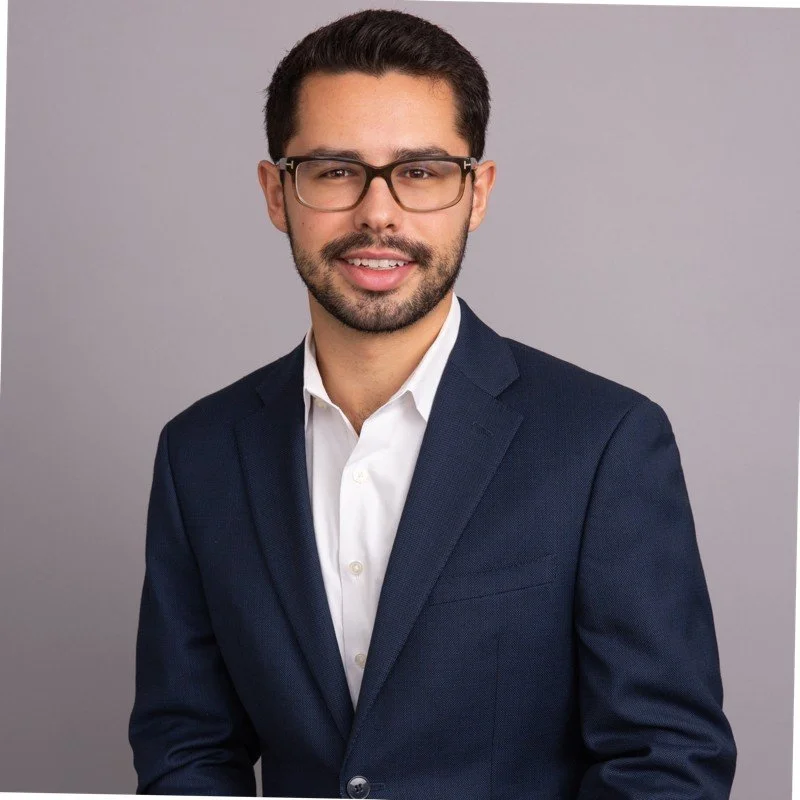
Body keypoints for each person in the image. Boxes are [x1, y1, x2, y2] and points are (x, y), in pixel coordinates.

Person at [128, 8, 736, 799]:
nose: (377, 213)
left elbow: (667, 763)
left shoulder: (604, 443)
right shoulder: (199, 452)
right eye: (335, 169)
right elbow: (186, 748)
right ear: (278, 193)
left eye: (419, 171)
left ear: (475, 192)